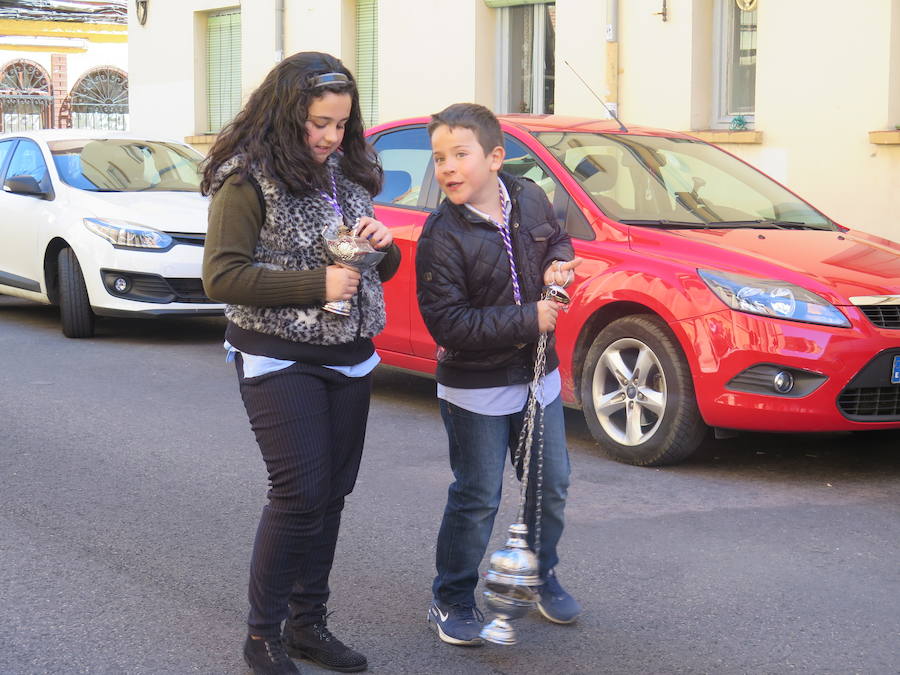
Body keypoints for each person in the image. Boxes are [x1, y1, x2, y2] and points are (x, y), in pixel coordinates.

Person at [201, 51, 399, 675]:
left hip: (351, 355)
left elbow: (366, 271)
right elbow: (221, 276)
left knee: (332, 495)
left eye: (340, 124)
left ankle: (308, 624)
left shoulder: (349, 174)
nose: (330, 137)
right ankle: (263, 637)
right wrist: (316, 283)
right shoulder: (245, 179)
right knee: (299, 492)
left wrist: (382, 249)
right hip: (276, 354)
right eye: (318, 123)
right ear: (287, 114)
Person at [415, 103, 583, 646]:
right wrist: (529, 317)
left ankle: (535, 574)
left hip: (538, 377)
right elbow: (448, 323)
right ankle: (452, 597)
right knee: (478, 495)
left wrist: (561, 262)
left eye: (459, 155)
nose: (447, 168)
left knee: (549, 486)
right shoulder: (440, 234)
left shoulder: (529, 195)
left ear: (494, 157)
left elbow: (555, 238)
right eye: (440, 158)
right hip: (476, 388)